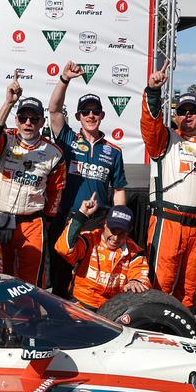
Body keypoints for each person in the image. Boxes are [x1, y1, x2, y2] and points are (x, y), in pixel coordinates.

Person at [141, 59, 196, 309]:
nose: (187, 116)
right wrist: (153, 92)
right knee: (159, 288)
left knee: (187, 292)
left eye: (193, 111)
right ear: (175, 115)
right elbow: (149, 125)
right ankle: (151, 339)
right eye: (182, 111)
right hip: (169, 224)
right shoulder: (166, 139)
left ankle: (179, 339)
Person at [47, 62, 128, 296]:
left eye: (95, 111)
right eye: (86, 111)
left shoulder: (114, 151)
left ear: (102, 115)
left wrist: (119, 223)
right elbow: (53, 110)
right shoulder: (68, 139)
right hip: (68, 217)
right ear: (78, 116)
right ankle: (60, 319)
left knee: (90, 276)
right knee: (61, 275)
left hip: (98, 221)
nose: (91, 115)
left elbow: (119, 188)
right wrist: (64, 79)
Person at [0, 80, 67, 287]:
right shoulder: (6, 139)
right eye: (23, 117)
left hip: (32, 223)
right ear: (17, 120)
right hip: (0, 218)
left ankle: (31, 317)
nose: (28, 122)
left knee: (32, 280)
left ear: (42, 122)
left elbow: (56, 192)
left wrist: (48, 221)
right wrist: (8, 102)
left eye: (34, 118)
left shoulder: (54, 153)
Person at [54, 194, 149, 309]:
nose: (115, 238)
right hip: (80, 305)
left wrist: (136, 281)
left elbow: (140, 274)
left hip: (113, 309)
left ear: (129, 231)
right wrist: (81, 215)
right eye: (113, 231)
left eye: (122, 233)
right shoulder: (89, 239)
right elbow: (64, 249)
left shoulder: (135, 252)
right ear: (105, 223)